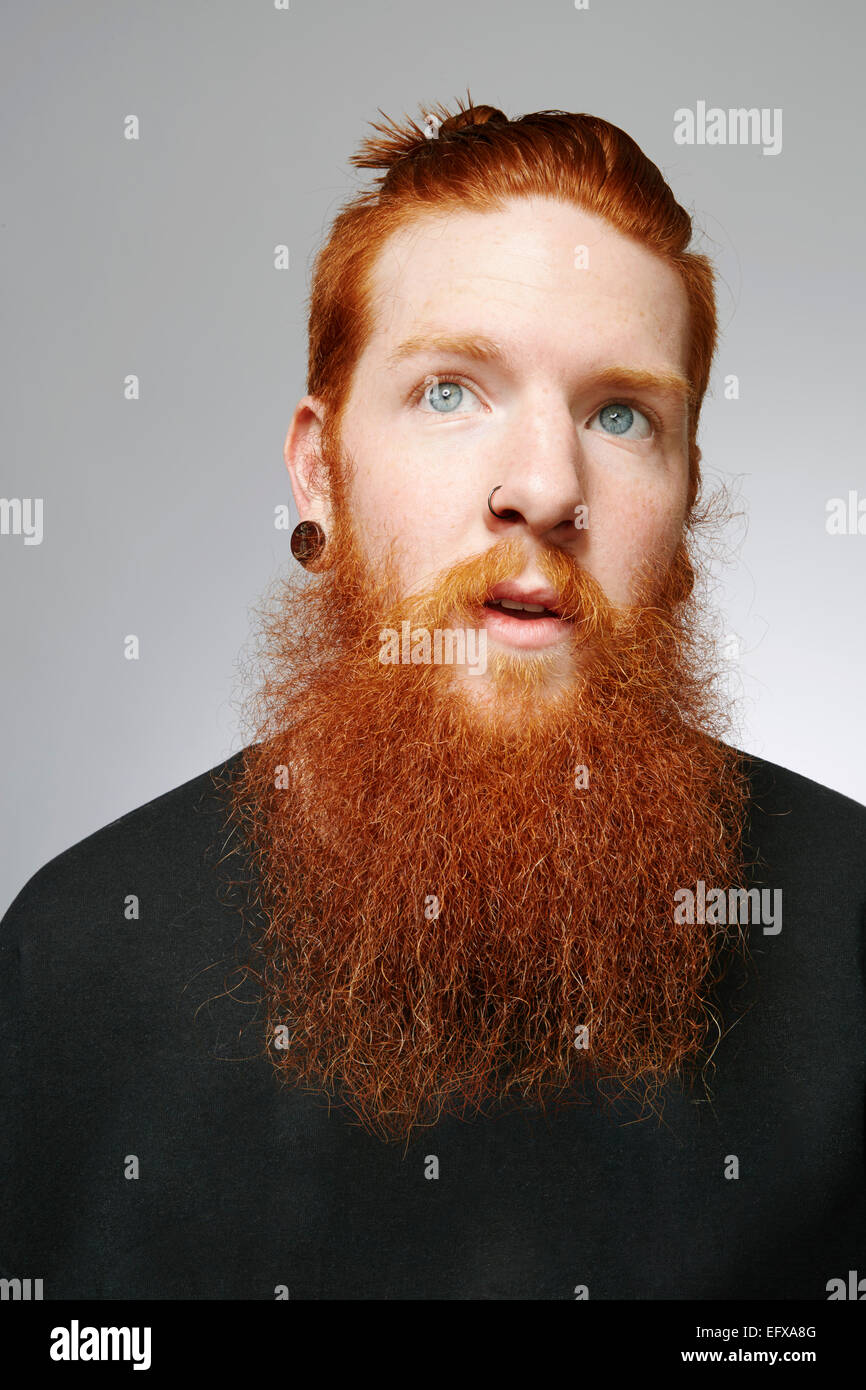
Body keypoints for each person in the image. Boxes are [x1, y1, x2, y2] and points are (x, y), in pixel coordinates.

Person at [1, 97, 864, 1302]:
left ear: (684, 500)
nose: (544, 486)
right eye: (450, 390)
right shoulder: (82, 956)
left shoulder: (847, 923)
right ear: (319, 468)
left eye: (622, 414)